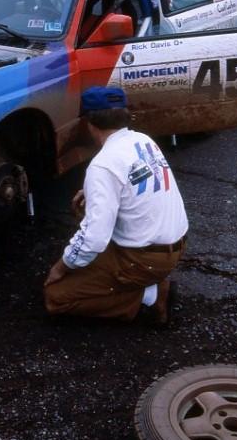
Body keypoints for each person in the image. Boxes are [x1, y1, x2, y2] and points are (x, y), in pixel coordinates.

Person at [43, 86, 188, 325]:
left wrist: (61, 268)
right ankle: (147, 279)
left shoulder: (103, 165)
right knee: (88, 219)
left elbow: (94, 238)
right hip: (175, 244)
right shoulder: (142, 139)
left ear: (88, 123)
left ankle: (150, 295)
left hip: (145, 258)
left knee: (56, 297)